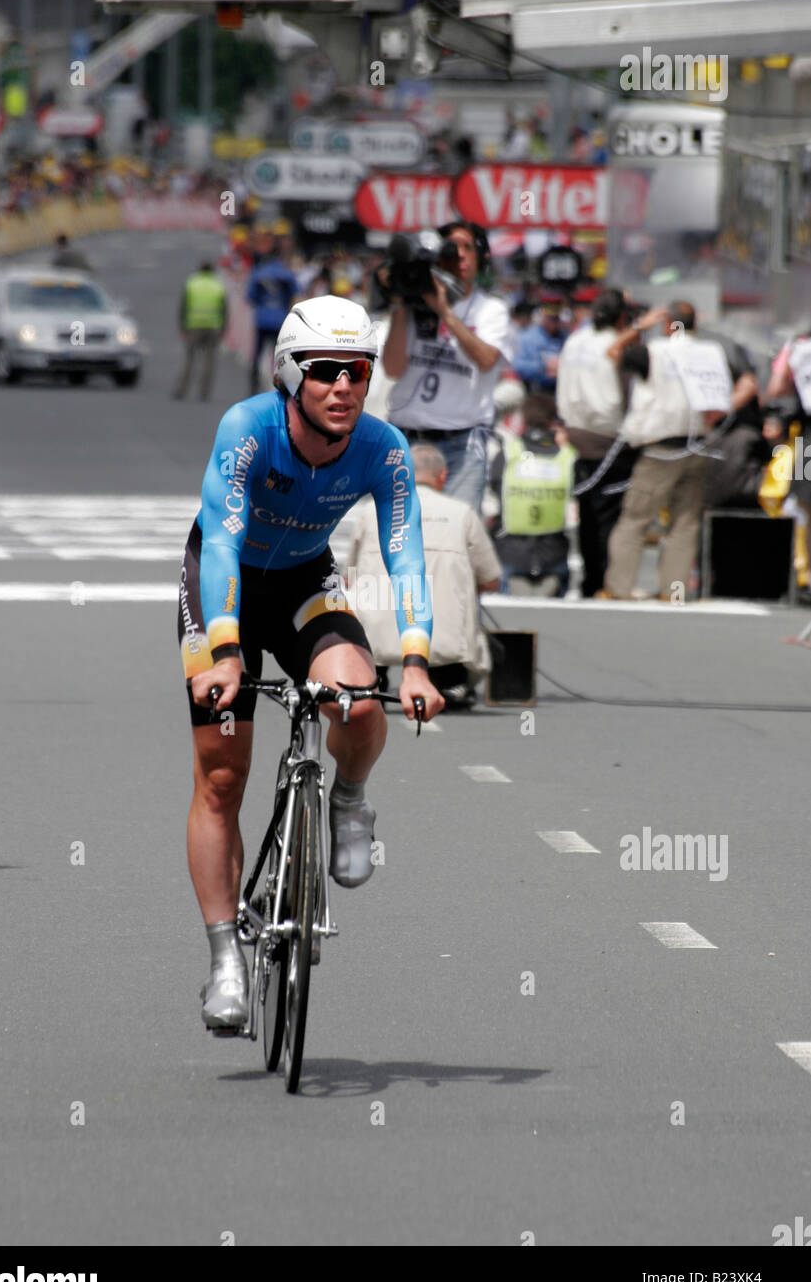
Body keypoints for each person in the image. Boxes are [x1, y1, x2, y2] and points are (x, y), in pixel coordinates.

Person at [177, 296, 443, 1032]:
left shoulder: (382, 447)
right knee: (223, 775)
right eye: (325, 372)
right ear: (291, 377)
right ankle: (225, 956)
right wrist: (225, 650)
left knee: (358, 699)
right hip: (221, 582)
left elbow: (406, 554)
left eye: (356, 372)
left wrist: (416, 660)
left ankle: (350, 800)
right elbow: (223, 543)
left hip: (302, 581)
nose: (343, 386)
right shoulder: (247, 429)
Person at [602, 301, 754, 600]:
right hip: (697, 444)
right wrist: (722, 410)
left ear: (669, 324)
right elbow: (747, 384)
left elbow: (613, 352)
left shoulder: (656, 351)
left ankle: (619, 589)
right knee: (685, 523)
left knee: (635, 520)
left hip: (661, 449)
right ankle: (674, 591)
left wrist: (638, 327)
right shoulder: (711, 352)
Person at [347, 442, 501, 710]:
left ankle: (375, 680)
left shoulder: (370, 512)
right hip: (445, 640)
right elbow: (491, 580)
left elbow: (349, 577)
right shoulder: (461, 513)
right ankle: (449, 684)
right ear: (442, 477)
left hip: (376, 637)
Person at [383, 221, 514, 517]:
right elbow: (392, 367)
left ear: (481, 258)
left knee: (456, 534)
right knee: (399, 531)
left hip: (462, 444)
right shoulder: (414, 303)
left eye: (468, 248)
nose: (460, 256)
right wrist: (401, 303)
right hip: (408, 436)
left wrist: (445, 312)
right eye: (452, 248)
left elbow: (486, 360)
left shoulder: (491, 309)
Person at [556, 287, 638, 596]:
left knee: (587, 513)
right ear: (620, 317)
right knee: (610, 518)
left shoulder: (574, 341)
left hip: (575, 435)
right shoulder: (617, 346)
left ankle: (590, 580)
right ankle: (605, 582)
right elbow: (631, 393)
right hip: (609, 439)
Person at [487, 392, 576, 596]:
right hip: (554, 553)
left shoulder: (509, 453)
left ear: (525, 419)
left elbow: (494, 484)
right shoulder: (566, 456)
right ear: (553, 420)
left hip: (510, 551)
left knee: (504, 622)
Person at [245, 228, 299, 395]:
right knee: (279, 357)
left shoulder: (259, 272)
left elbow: (250, 297)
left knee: (257, 355)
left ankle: (253, 389)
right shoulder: (286, 273)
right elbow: (295, 293)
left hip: (262, 319)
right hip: (280, 319)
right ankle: (279, 388)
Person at [173, 260, 229, 402]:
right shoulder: (218, 285)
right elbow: (224, 309)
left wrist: (182, 325)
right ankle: (204, 392)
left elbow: (183, 305)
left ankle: (181, 389)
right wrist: (223, 328)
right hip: (213, 326)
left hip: (193, 325)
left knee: (188, 359)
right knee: (209, 361)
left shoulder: (192, 283)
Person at [512, 301, 567, 393]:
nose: (554, 322)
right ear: (543, 317)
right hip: (536, 391)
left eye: (556, 318)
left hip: (560, 390)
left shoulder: (565, 338)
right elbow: (517, 365)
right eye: (551, 318)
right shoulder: (527, 337)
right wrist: (543, 366)